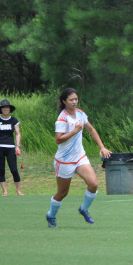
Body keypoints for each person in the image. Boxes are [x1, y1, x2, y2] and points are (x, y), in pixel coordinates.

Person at [45, 88, 112, 228]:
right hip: (64, 160)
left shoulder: (81, 114)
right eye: (71, 99)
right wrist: (75, 131)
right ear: (64, 101)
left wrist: (102, 147)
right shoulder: (62, 119)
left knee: (93, 184)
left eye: (76, 99)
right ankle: (51, 215)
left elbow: (91, 130)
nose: (74, 102)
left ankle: (84, 209)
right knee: (62, 193)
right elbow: (58, 139)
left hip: (80, 157)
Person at [0, 100, 24, 196]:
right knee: (1, 169)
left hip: (10, 147)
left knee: (14, 169)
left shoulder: (14, 120)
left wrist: (17, 146)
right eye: (3, 108)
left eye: (7, 107)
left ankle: (19, 190)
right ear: (1, 109)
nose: (5, 109)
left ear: (10, 109)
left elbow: (17, 133)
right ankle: (4, 191)